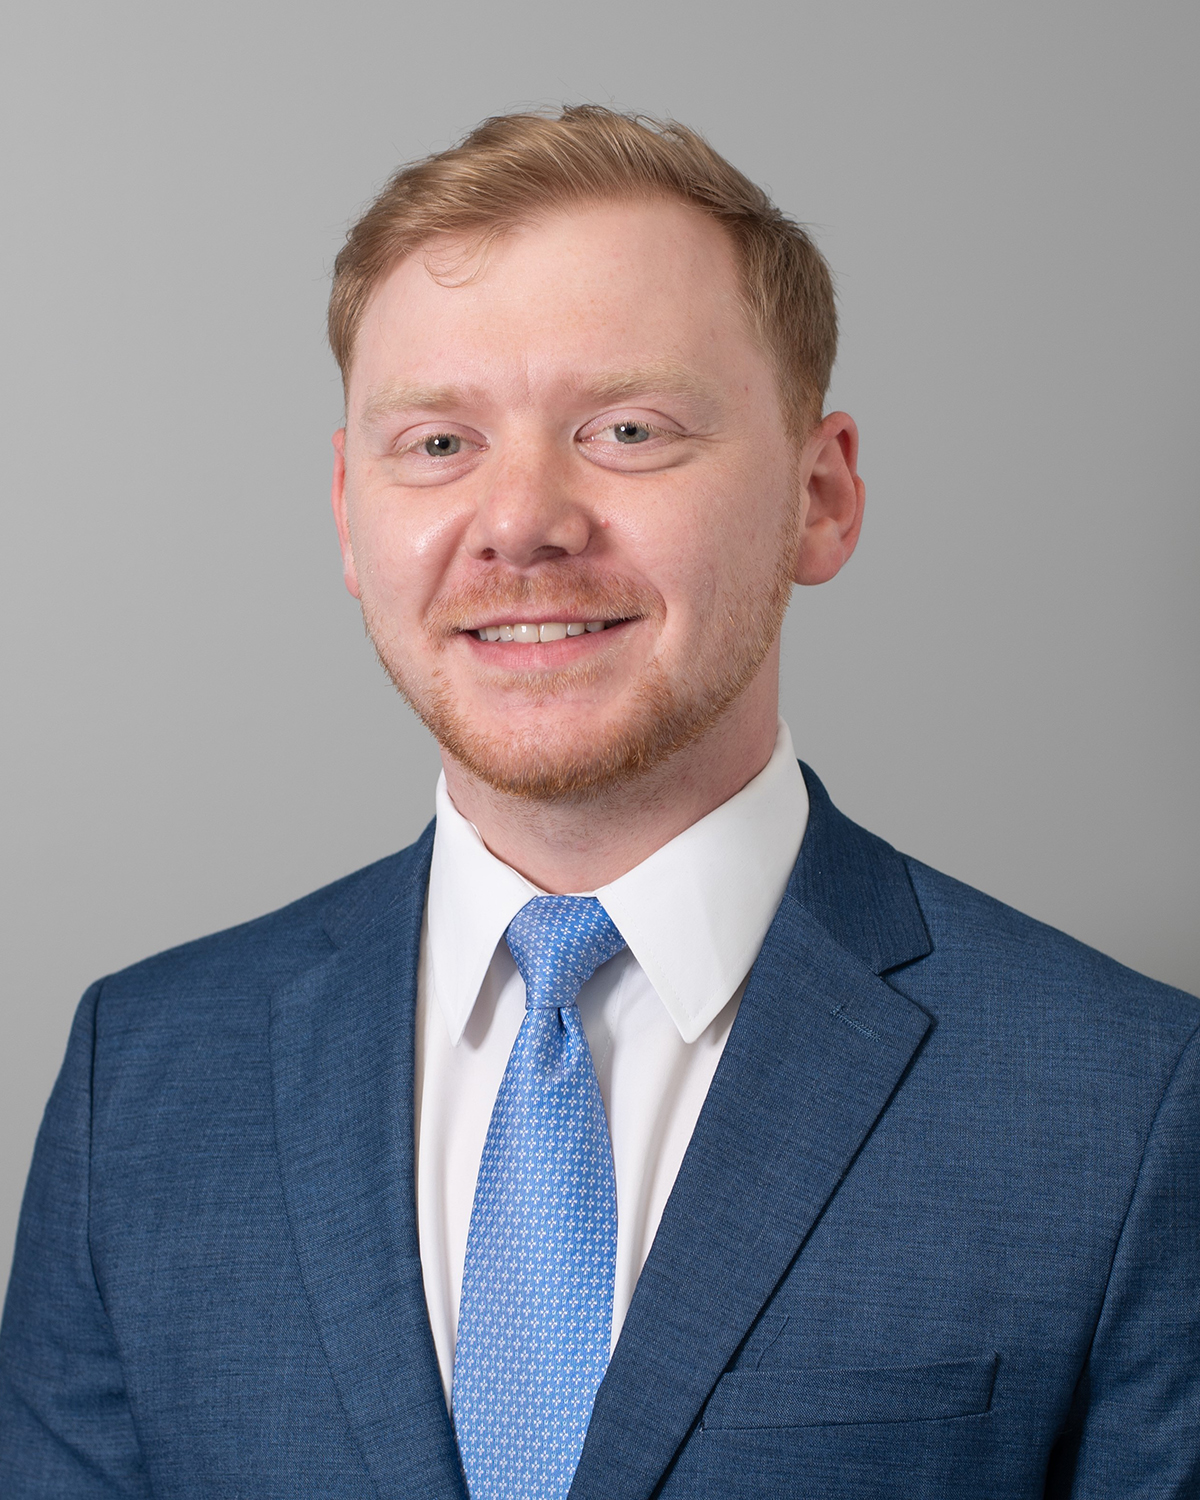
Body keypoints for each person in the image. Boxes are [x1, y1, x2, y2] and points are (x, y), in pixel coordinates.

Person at [1, 105, 1196, 1500]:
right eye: (437, 444)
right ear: (347, 511)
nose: (522, 521)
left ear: (820, 497)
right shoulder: (142, 1081)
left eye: (626, 429)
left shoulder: (1128, 1105)